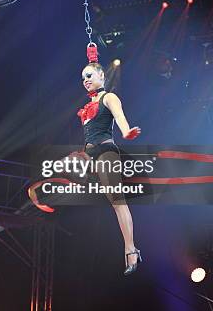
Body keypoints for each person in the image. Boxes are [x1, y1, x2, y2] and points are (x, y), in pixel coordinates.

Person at [78, 61, 142, 275]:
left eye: (89, 75)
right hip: (90, 157)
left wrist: (126, 132)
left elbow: (121, 118)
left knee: (117, 202)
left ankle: (130, 249)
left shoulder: (109, 97)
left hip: (106, 153)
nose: (85, 80)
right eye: (83, 78)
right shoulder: (87, 107)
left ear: (101, 76)